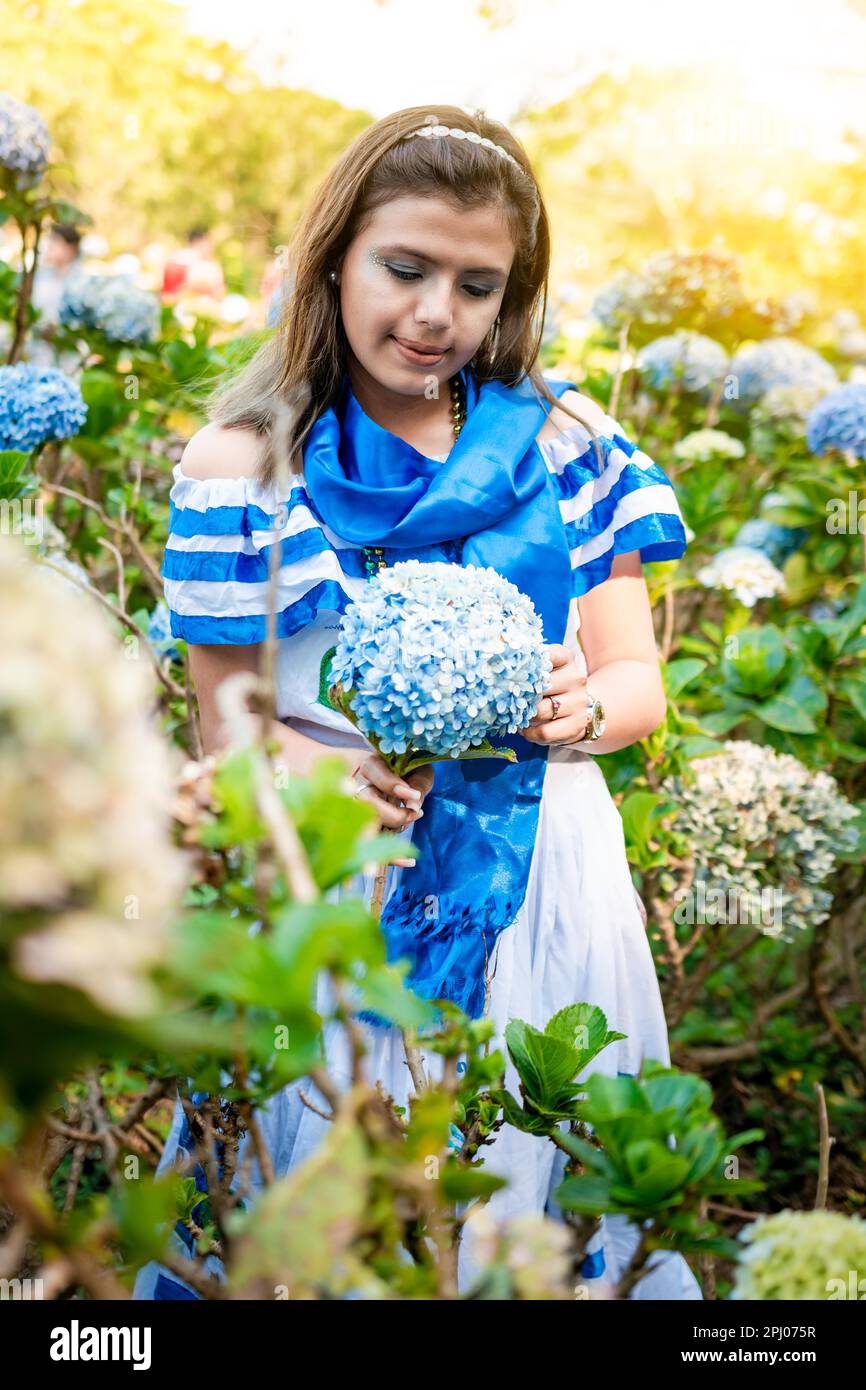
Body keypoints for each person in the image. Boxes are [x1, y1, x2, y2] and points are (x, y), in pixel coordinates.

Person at [134, 105, 701, 1301]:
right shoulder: (245, 465)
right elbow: (224, 725)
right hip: (339, 880)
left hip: (542, 874)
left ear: (512, 296)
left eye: (477, 283)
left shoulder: (568, 445)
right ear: (335, 255)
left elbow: (635, 679)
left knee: (508, 1193)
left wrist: (581, 709)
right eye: (405, 267)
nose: (436, 311)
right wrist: (320, 773)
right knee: (316, 1200)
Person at [28, 222, 87, 370]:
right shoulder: (41, 275)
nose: (49, 245)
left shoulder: (82, 281)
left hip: (67, 357)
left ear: (71, 248)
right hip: (38, 352)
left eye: (55, 240)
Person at [161, 224, 225, 303]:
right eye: (207, 243)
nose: (211, 247)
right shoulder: (182, 260)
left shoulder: (212, 265)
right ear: (196, 243)